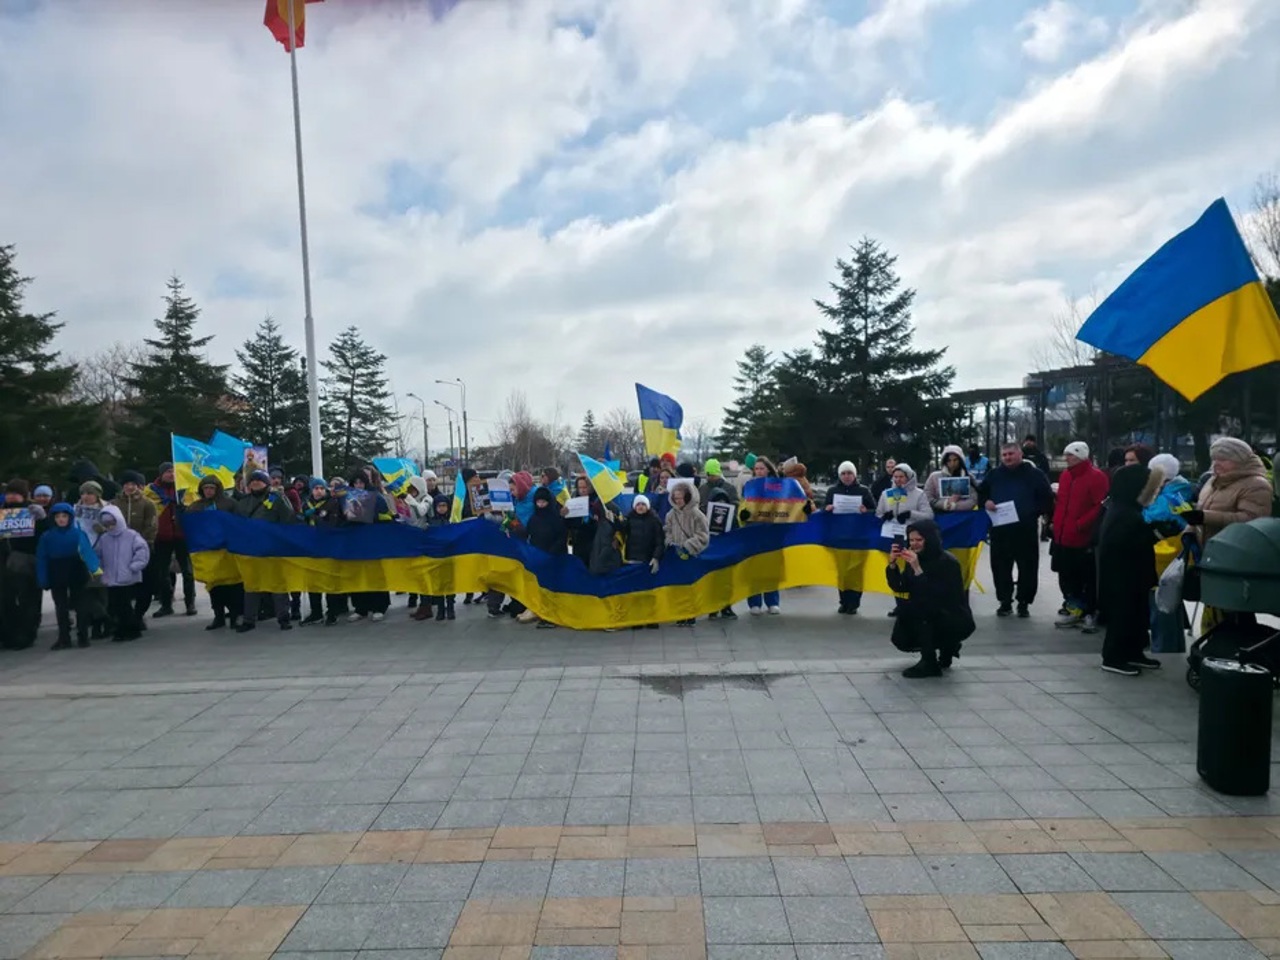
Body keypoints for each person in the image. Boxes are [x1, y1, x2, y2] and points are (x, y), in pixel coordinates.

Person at [1183, 437, 1273, 629]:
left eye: (1223, 459)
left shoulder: (1256, 484)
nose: (1217, 464)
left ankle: (1234, 646)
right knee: (1214, 605)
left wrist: (1205, 517)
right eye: (1214, 459)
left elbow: (1250, 519)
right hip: (1211, 554)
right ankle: (1214, 643)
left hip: (1235, 556)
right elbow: (1201, 509)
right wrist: (1190, 529)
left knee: (1233, 608)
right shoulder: (1212, 481)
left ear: (1240, 460)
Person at [1096, 464, 1163, 676]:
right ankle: (1113, 657)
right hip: (1122, 576)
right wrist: (1153, 534)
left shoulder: (1128, 508)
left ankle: (1134, 651)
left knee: (1137, 614)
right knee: (1123, 615)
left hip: (1134, 574)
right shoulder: (1122, 512)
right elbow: (1124, 542)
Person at [886, 519, 973, 678]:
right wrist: (892, 564)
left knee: (921, 612)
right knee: (909, 613)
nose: (914, 544)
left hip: (952, 617)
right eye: (911, 540)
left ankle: (930, 661)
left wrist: (918, 569)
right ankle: (946, 647)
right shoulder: (916, 558)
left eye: (919, 540)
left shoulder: (947, 562)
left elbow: (936, 595)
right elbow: (900, 587)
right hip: (931, 610)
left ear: (930, 539)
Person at [977, 442, 1055, 618]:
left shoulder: (1035, 474)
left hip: (1025, 529)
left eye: (1011, 454)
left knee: (1027, 567)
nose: (1007, 458)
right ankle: (1004, 601)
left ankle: (1024, 602)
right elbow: (982, 494)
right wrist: (986, 502)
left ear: (1020, 454)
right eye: (1004, 455)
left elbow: (1047, 498)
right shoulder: (994, 475)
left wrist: (1033, 511)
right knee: (1000, 567)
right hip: (1000, 530)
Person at [1051, 442, 1108, 633]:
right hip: (1063, 535)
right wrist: (1055, 523)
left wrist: (1081, 523)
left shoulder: (1096, 477)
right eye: (1066, 455)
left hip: (1083, 537)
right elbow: (1062, 503)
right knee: (1067, 576)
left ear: (1082, 456)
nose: (1067, 458)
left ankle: (1090, 612)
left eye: (1071, 455)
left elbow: (1100, 505)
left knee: (1087, 577)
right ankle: (1075, 608)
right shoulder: (1066, 475)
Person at [234, 470, 295, 633]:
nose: (255, 483)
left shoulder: (278, 499)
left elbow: (288, 520)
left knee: (278, 585)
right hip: (251, 550)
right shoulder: (243, 502)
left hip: (272, 549)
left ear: (266, 483)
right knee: (251, 585)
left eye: (258, 480)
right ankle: (249, 620)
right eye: (252, 481)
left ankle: (283, 618)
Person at [36, 502, 103, 649]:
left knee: (81, 605)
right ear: (52, 518)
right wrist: (42, 578)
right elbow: (42, 558)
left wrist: (96, 571)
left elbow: (87, 553)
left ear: (70, 517)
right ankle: (64, 637)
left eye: (64, 516)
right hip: (56, 571)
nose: (61, 519)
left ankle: (83, 635)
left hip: (76, 570)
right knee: (61, 607)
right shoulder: (47, 537)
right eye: (58, 516)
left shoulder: (78, 534)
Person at [143, 462, 195, 619]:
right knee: (162, 572)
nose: (171, 474)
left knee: (187, 571)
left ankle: (190, 603)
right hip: (162, 536)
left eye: (173, 471)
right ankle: (166, 605)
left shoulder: (184, 490)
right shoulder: (151, 492)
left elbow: (194, 506)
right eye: (167, 471)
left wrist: (184, 508)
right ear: (161, 474)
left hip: (182, 535)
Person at [93, 504, 150, 643]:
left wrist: (135, 566)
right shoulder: (104, 538)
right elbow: (98, 555)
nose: (110, 526)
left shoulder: (131, 535)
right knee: (114, 605)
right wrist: (99, 569)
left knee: (124, 605)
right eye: (106, 524)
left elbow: (142, 550)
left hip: (127, 576)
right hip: (110, 577)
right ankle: (121, 629)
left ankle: (129, 629)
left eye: (112, 522)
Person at [0, 480, 46, 650]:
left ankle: (26, 633)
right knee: (7, 599)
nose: (11, 496)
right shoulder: (2, 511)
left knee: (29, 599)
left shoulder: (31, 511)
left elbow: (43, 534)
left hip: (27, 560)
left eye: (16, 493)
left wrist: (41, 519)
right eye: (9, 492)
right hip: (6, 561)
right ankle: (8, 633)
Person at [824, 461, 875, 614]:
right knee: (842, 571)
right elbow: (824, 511)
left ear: (855, 475)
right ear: (840, 475)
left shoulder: (864, 491)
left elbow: (875, 509)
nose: (847, 476)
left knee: (856, 572)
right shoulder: (832, 491)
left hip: (859, 538)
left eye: (849, 473)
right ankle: (843, 601)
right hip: (840, 538)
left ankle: (854, 603)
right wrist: (827, 509)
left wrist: (867, 510)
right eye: (844, 473)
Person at [739, 456, 783, 614]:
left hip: (772, 531)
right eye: (756, 469)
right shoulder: (749, 486)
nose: (758, 471)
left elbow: (786, 505)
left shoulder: (778, 486)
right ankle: (754, 602)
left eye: (761, 468)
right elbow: (743, 505)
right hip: (754, 530)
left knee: (771, 568)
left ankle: (772, 601)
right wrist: (743, 515)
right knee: (754, 566)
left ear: (768, 470)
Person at [663, 483, 709, 626]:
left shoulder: (697, 515)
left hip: (691, 555)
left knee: (691, 586)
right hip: (676, 556)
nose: (678, 501)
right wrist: (670, 542)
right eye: (675, 498)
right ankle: (680, 613)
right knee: (678, 586)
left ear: (688, 497)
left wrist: (688, 546)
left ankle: (691, 613)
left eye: (681, 498)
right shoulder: (670, 514)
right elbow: (667, 531)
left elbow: (703, 535)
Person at [524, 486, 568, 629]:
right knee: (542, 587)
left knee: (554, 587)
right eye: (539, 502)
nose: (541, 505)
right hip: (539, 557)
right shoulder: (534, 519)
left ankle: (553, 616)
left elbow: (562, 536)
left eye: (544, 502)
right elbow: (526, 534)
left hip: (554, 557)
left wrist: (552, 552)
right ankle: (543, 613)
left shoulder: (556, 518)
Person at [618, 494, 665, 628]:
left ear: (648, 507)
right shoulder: (629, 519)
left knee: (650, 592)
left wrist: (656, 557)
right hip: (633, 560)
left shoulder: (654, 520)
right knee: (635, 592)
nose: (640, 507)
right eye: (638, 504)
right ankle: (637, 619)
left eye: (643, 504)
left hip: (648, 561)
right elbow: (620, 530)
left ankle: (651, 618)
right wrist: (615, 520)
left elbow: (659, 541)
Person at [701, 458, 739, 620]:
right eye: (710, 476)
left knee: (726, 574)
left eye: (714, 475)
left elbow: (737, 505)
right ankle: (713, 606)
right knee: (713, 574)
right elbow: (698, 507)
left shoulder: (729, 488)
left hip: (727, 535)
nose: (712, 478)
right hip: (710, 536)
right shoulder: (703, 489)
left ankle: (726, 606)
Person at [73, 480, 110, 639]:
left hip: (102, 554)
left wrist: (104, 529)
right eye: (83, 493)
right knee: (86, 592)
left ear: (97, 495)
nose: (86, 496)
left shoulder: (107, 508)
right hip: (81, 554)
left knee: (101, 591)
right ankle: (96, 620)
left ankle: (101, 625)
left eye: (90, 493)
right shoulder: (74, 510)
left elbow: (118, 527)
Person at [424, 493, 457, 622]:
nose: (442, 508)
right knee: (438, 584)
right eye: (439, 506)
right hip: (436, 557)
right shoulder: (431, 522)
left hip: (449, 557)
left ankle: (450, 607)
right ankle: (440, 609)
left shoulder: (452, 520)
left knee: (450, 584)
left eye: (444, 506)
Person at [924, 446, 978, 514]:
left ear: (960, 460)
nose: (952, 463)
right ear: (945, 461)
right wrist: (944, 504)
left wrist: (955, 506)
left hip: (964, 516)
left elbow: (973, 499)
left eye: (955, 460)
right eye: (949, 460)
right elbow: (927, 497)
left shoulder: (969, 477)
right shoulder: (934, 477)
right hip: (939, 515)